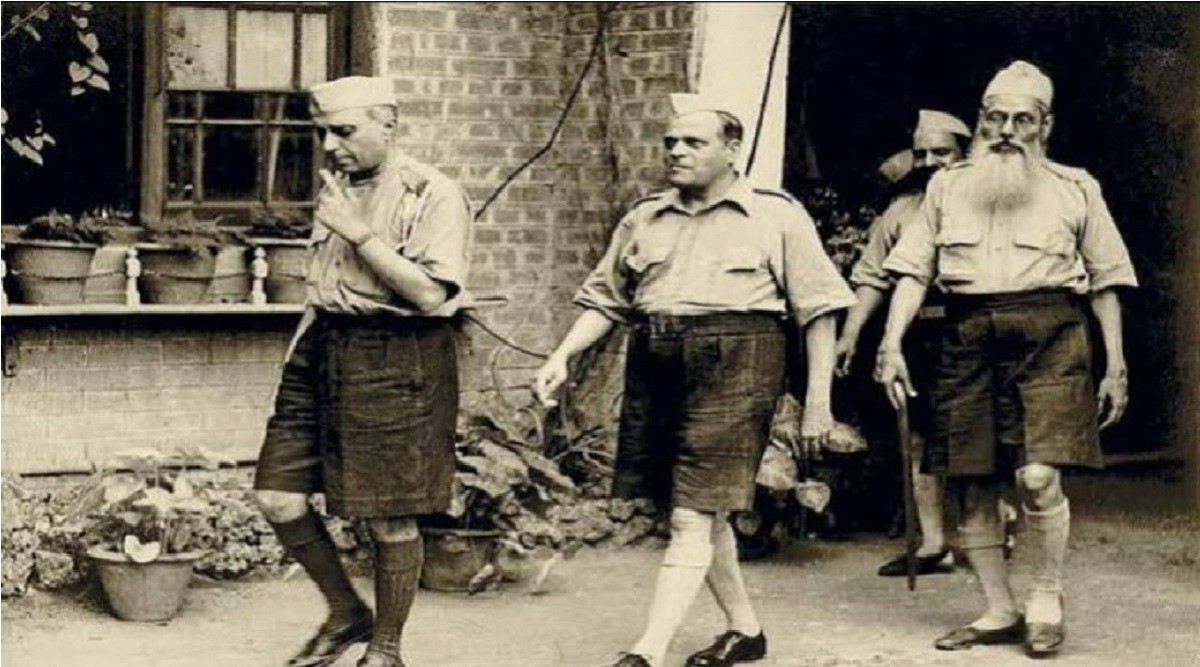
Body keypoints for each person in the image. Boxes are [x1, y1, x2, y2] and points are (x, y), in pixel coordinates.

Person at [533, 106, 855, 667]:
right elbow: (607, 299)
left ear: (732, 150)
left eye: (693, 142)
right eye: (671, 142)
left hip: (738, 360)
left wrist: (819, 404)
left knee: (691, 515)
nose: (677, 151)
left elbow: (819, 311)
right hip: (656, 361)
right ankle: (746, 631)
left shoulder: (775, 215)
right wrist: (563, 354)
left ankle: (647, 651)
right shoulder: (646, 218)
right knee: (696, 510)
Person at [876, 61, 1136, 656]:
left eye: (1023, 120)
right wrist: (890, 345)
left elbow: (1107, 280)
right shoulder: (946, 186)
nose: (1007, 132)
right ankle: (998, 610)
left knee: (1037, 477)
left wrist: (1115, 366)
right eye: (995, 119)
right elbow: (913, 271)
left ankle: (1045, 598)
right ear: (981, 122)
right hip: (966, 335)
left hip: (1052, 334)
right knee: (971, 483)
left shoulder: (1076, 188)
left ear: (1046, 126)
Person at [253, 76, 473, 667]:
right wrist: (298, 355)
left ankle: (386, 650)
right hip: (323, 348)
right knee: (277, 496)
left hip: (396, 353)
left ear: (388, 125)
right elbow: (324, 284)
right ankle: (347, 611)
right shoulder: (338, 190)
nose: (330, 146)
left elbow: (429, 294)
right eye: (323, 133)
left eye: (344, 131)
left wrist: (359, 233)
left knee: (389, 515)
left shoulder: (432, 193)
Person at [836, 109, 973, 577]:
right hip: (918, 336)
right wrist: (851, 333)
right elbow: (872, 276)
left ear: (965, 153)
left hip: (977, 332)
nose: (931, 162)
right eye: (922, 153)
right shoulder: (901, 211)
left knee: (982, 434)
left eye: (942, 152)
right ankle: (934, 543)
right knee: (917, 438)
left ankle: (996, 528)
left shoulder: (991, 203)